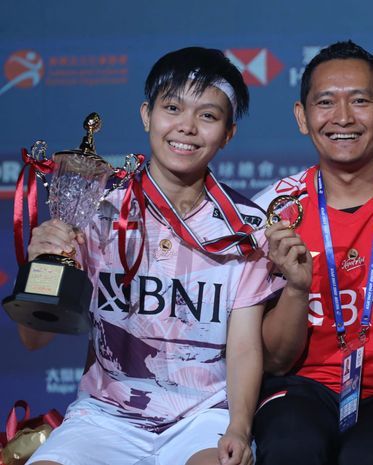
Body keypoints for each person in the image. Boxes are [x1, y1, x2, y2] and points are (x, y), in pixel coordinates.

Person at [21, 47, 281, 465]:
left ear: (228, 133)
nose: (187, 128)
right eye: (173, 108)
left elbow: (245, 347)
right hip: (104, 417)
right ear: (146, 115)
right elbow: (33, 340)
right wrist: (40, 269)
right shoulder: (97, 210)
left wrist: (238, 426)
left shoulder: (246, 229)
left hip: (202, 418)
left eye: (208, 116)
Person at [252, 40, 373, 465]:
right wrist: (295, 290)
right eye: (325, 102)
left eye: (360, 101)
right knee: (291, 448)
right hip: (301, 388)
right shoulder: (272, 214)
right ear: (302, 117)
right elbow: (273, 359)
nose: (343, 118)